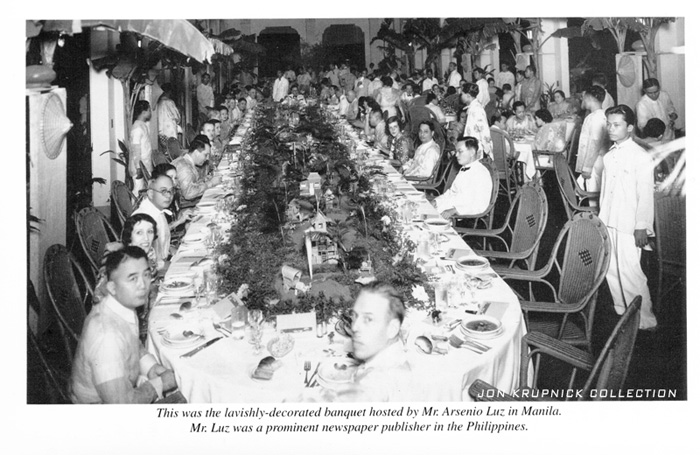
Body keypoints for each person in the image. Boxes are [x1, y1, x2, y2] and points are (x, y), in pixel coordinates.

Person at [70, 247, 178, 404]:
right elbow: (122, 404)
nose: (143, 285)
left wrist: (151, 368)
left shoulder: (121, 305)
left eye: (146, 275)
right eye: (132, 278)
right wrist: (161, 383)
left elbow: (134, 345)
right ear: (112, 287)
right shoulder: (107, 336)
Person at [599, 104, 657, 330]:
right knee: (611, 268)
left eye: (616, 125)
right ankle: (622, 311)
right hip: (610, 218)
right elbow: (605, 191)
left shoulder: (640, 156)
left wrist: (641, 226)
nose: (611, 128)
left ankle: (645, 319)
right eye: (609, 124)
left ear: (630, 127)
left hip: (630, 223)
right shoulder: (610, 156)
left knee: (630, 271)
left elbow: (645, 195)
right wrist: (602, 219)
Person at [433, 136, 492, 217]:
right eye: (456, 151)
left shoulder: (481, 174)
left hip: (462, 216)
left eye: (460, 151)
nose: (456, 155)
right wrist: (436, 201)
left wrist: (454, 210)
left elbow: (480, 205)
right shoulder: (464, 169)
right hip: (446, 208)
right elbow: (451, 192)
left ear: (472, 152)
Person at [575, 86, 609, 193]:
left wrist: (587, 167)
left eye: (583, 97)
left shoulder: (597, 118)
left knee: (593, 193)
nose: (582, 100)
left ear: (589, 97)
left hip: (594, 164)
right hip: (596, 162)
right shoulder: (596, 115)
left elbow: (594, 144)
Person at [171, 135, 222, 204]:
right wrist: (211, 183)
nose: (207, 158)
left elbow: (192, 184)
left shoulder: (186, 161)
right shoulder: (184, 167)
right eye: (205, 155)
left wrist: (205, 179)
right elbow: (188, 194)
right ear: (196, 152)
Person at [635, 78, 678, 142]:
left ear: (659, 88)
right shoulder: (641, 104)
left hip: (669, 133)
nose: (654, 95)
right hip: (655, 138)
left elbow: (671, 109)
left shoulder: (664, 95)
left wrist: (673, 116)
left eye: (656, 92)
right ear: (645, 91)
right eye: (650, 93)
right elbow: (642, 126)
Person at [461, 82, 493, 159]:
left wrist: (488, 151)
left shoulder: (477, 110)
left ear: (468, 96)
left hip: (476, 148)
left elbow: (484, 132)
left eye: (462, 94)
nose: (460, 96)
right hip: (470, 146)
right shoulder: (472, 108)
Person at [129, 100, 153, 196]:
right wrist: (139, 168)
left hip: (145, 165)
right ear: (143, 112)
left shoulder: (142, 125)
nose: (150, 112)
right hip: (139, 167)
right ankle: (134, 210)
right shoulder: (137, 128)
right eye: (149, 110)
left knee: (144, 191)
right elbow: (136, 150)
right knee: (137, 191)